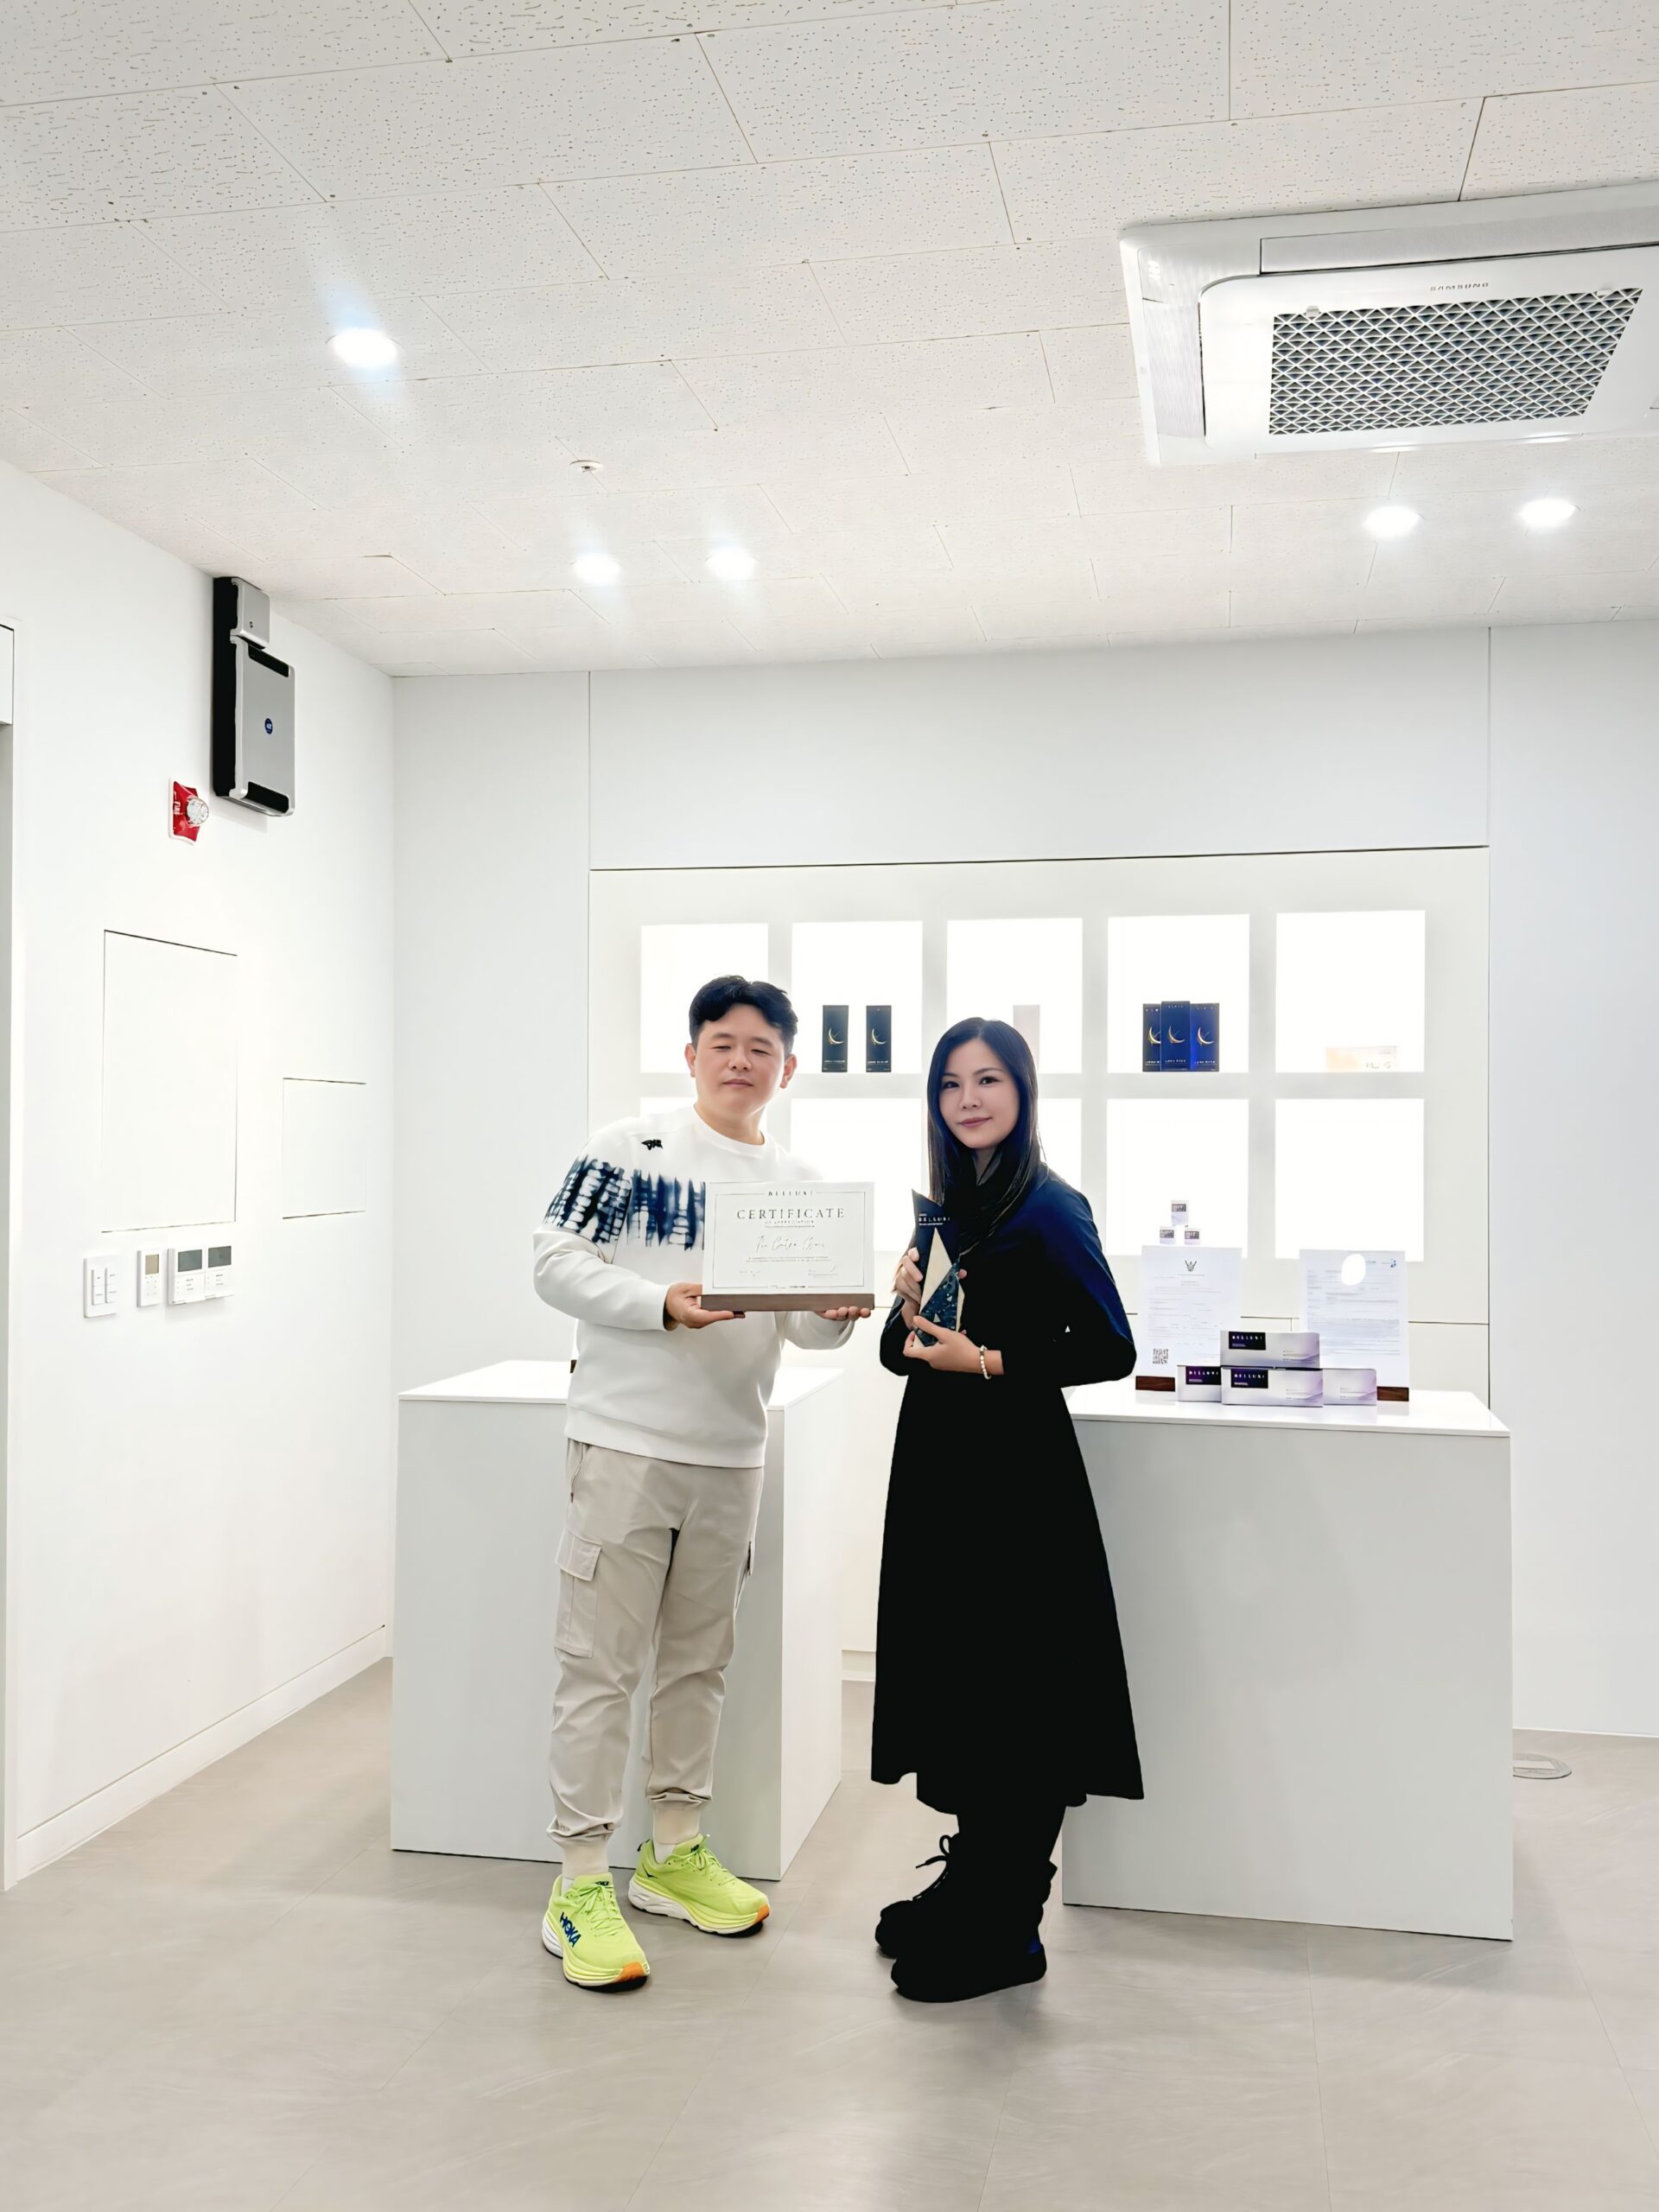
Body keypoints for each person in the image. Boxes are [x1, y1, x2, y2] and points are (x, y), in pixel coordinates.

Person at [531, 975, 863, 1991]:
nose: (741, 1061)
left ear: (787, 1069)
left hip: (731, 1453)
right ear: (691, 1055)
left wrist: (836, 1313)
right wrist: (657, 1302)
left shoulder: (798, 1183)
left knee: (698, 1665)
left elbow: (801, 1324)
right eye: (723, 1043)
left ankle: (673, 1851)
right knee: (598, 1666)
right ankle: (579, 1877)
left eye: (762, 1049)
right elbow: (554, 1261)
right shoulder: (625, 1149)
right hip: (624, 1446)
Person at [871, 1015, 1141, 2003]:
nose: (969, 1099)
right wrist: (903, 1301)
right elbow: (900, 1355)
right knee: (966, 1687)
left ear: (1023, 1092)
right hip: (942, 1478)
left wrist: (986, 1360)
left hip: (1019, 1483)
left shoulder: (1052, 1206)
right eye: (951, 1084)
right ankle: (974, 1884)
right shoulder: (948, 1206)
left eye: (988, 1080)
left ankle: (1011, 1923)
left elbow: (1111, 1346)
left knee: (1022, 1695)